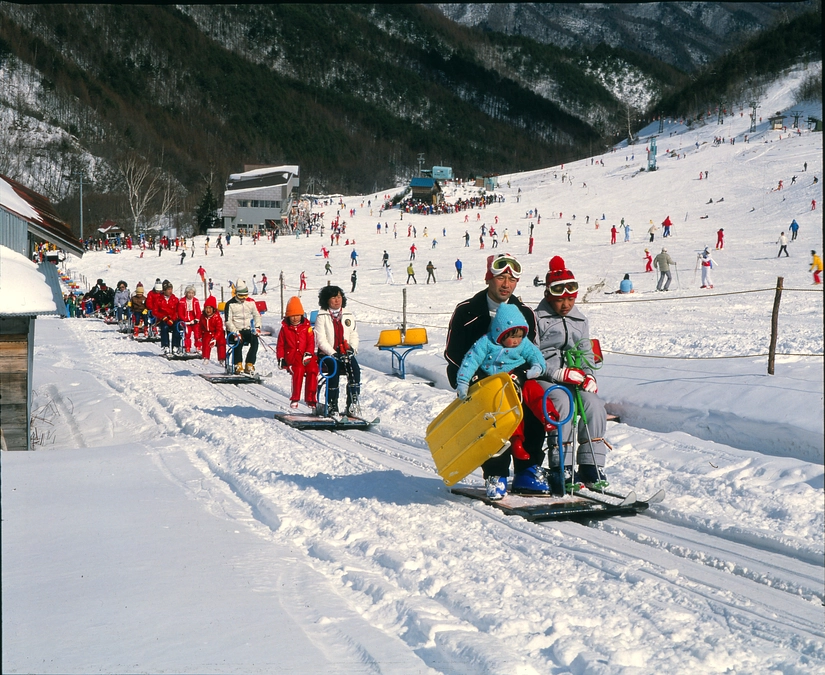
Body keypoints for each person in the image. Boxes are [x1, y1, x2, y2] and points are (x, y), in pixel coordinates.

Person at [445, 253, 547, 498]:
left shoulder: (524, 313)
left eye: (511, 280)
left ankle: (527, 470)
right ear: (488, 278)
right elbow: (453, 353)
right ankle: (496, 473)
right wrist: (475, 379)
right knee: (493, 420)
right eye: (501, 278)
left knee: (533, 413)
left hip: (517, 380)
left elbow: (531, 352)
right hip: (479, 380)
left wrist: (522, 375)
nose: (506, 285)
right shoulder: (467, 311)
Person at [454, 304, 558, 499]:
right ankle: (497, 473)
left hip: (519, 381)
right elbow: (470, 361)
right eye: (512, 336)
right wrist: (463, 381)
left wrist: (534, 369)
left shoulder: (524, 343)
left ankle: (548, 415)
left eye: (520, 336)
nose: (516, 341)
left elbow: (537, 358)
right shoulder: (486, 343)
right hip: (496, 388)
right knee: (504, 418)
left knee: (534, 390)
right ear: (500, 333)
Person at [534, 256, 609, 489]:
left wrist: (589, 376)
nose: (565, 305)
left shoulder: (580, 320)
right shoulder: (538, 319)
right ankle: (561, 467)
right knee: (563, 403)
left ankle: (591, 465)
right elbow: (531, 356)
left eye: (570, 299)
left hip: (574, 378)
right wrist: (556, 373)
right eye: (559, 300)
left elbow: (586, 353)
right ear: (548, 296)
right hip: (544, 378)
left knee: (594, 405)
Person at [315, 286, 361, 417]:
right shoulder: (322, 316)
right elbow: (321, 340)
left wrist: (352, 348)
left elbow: (353, 334)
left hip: (345, 352)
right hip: (328, 354)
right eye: (333, 298)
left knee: (355, 371)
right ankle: (331, 404)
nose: (337, 300)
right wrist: (333, 353)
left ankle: (352, 403)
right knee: (333, 372)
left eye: (339, 297)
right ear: (327, 300)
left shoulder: (348, 315)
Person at [276, 296, 319, 410]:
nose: (295, 318)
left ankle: (311, 399)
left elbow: (311, 342)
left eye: (297, 315)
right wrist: (281, 358)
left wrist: (309, 353)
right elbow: (280, 345)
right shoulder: (285, 329)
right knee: (298, 371)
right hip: (293, 358)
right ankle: (295, 397)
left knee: (313, 370)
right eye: (292, 316)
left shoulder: (307, 327)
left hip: (306, 356)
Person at [225, 279, 262, 374]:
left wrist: (257, 328)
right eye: (241, 296)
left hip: (247, 329)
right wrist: (235, 332)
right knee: (238, 341)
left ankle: (249, 364)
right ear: (236, 294)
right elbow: (228, 321)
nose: (243, 298)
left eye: (245, 295)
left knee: (255, 341)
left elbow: (256, 315)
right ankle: (238, 364)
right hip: (234, 330)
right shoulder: (230, 304)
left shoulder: (250, 303)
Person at [154, 280, 182, 355]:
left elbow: (177, 311)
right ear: (164, 290)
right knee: (165, 328)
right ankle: (165, 346)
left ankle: (175, 346)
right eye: (168, 289)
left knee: (177, 328)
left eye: (171, 289)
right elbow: (155, 311)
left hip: (173, 319)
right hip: (162, 319)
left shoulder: (175, 299)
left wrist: (173, 318)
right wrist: (163, 317)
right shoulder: (158, 299)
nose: (170, 291)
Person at [199, 296, 227, 364]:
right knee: (206, 341)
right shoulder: (203, 317)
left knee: (221, 342)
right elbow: (200, 327)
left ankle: (222, 358)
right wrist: (200, 335)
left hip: (217, 333)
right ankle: (206, 357)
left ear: (213, 309)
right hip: (208, 332)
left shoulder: (217, 317)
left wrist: (215, 338)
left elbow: (219, 329)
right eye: (206, 308)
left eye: (210, 308)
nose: (208, 310)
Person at [177, 285, 202, 353]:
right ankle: (187, 347)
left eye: (192, 293)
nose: (191, 295)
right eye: (189, 293)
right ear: (186, 293)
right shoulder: (182, 301)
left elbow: (198, 311)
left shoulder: (195, 301)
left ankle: (198, 346)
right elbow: (180, 312)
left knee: (197, 333)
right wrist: (184, 320)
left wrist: (196, 319)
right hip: (186, 320)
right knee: (187, 334)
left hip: (194, 320)